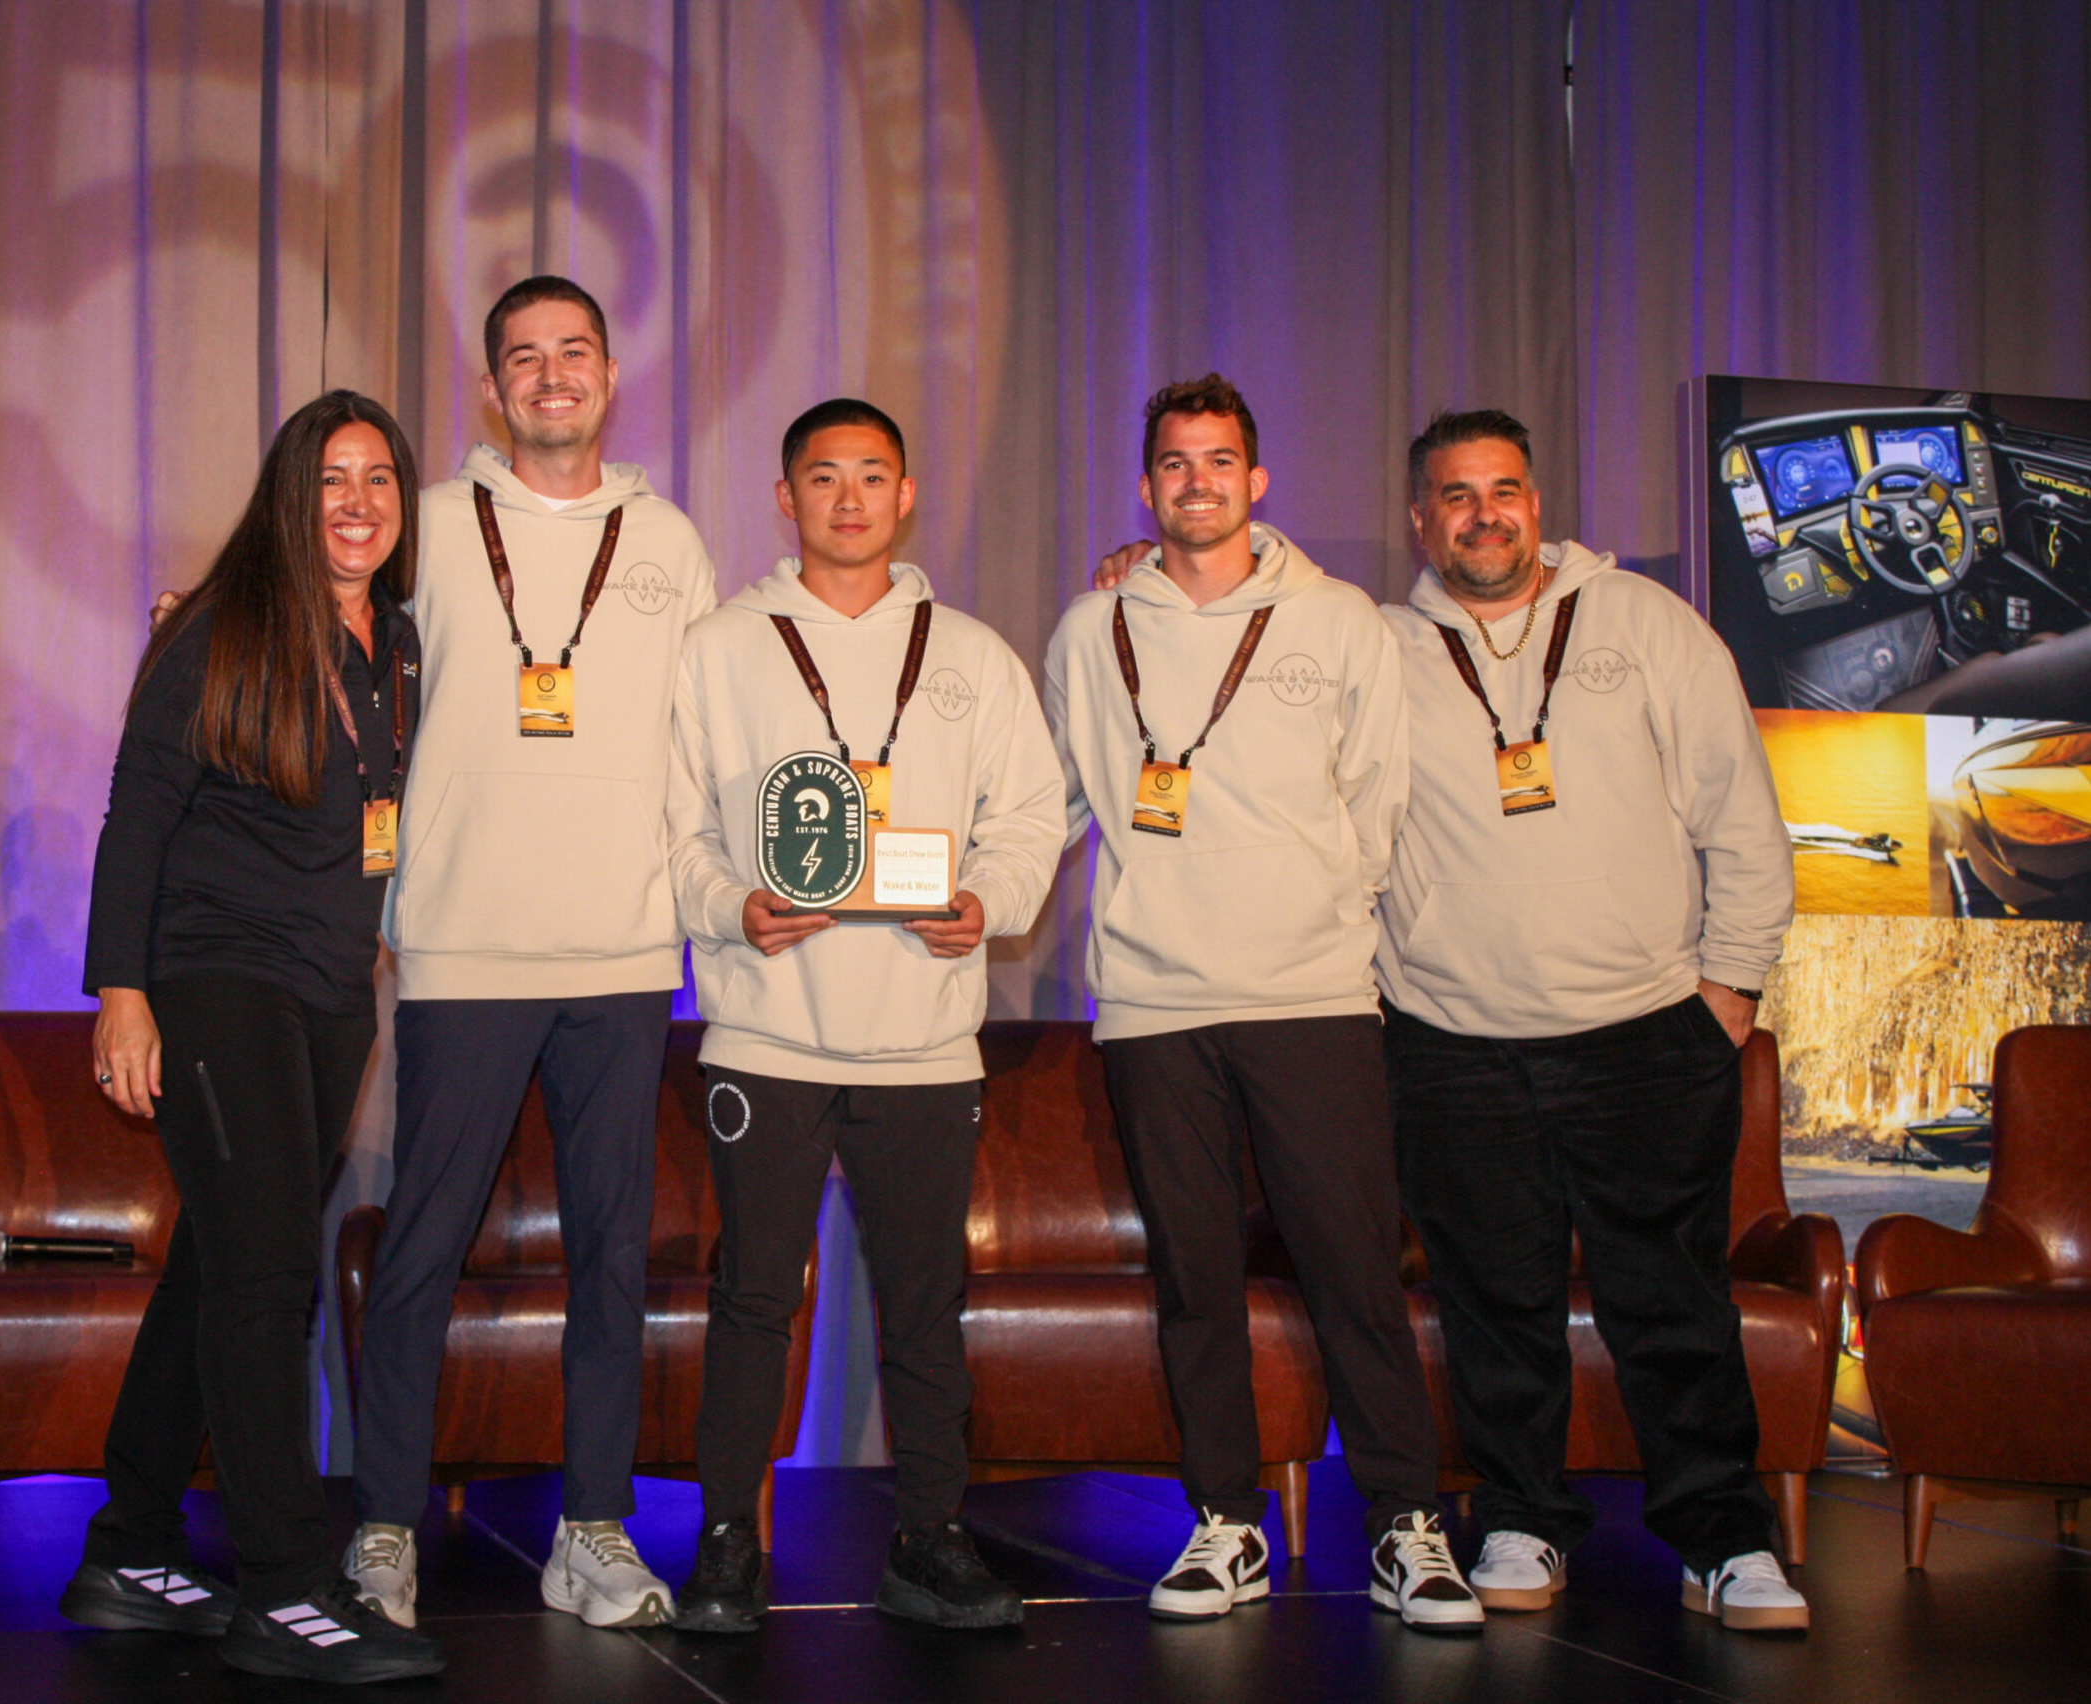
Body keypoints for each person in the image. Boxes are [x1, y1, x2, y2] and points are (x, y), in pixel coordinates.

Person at [1048, 377, 1480, 1631]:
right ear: (1147, 487)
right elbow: (1062, 798)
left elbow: (1380, 805)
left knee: (1354, 1269)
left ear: (1258, 480)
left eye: (1219, 460)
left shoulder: (1342, 621)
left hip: (1312, 999)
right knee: (1193, 1280)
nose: (1197, 482)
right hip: (1149, 1006)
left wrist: (1321, 922)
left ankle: (1406, 1527)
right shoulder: (1091, 629)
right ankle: (1226, 1524)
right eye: (1174, 463)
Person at [1379, 409, 1806, 1632]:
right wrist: (1139, 575)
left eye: (1502, 489)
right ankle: (1520, 1520)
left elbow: (1743, 819)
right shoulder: (1379, 649)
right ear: (1422, 520)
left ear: (1536, 497)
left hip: (1644, 1035)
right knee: (1494, 1309)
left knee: (1673, 1304)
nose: (1482, 515)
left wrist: (1727, 991)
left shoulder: (1649, 627)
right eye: (1455, 497)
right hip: (1452, 1044)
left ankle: (1724, 1540)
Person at [344, 277, 719, 1631]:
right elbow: (312, 612)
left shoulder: (668, 540)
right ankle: (383, 1525)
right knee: (423, 1248)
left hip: (623, 953)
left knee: (613, 1255)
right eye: (523, 359)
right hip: (460, 947)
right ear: (491, 388)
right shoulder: (430, 526)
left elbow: (703, 741)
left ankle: (594, 1533)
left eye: (574, 354)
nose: (551, 376)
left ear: (611, 377)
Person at [663, 399, 1065, 1633]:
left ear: (906, 495)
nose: (849, 498)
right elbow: (674, 829)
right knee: (753, 1302)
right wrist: (732, 905)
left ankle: (930, 1538)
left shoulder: (974, 654)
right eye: (822, 478)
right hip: (766, 1031)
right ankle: (729, 1540)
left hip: (925, 1041)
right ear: (784, 500)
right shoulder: (718, 648)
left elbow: (1034, 816)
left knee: (923, 1298)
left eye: (872, 477)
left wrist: (988, 903)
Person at [64, 390, 444, 1685]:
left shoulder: (395, 642)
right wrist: (121, 992)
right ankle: (282, 1586)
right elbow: (136, 817)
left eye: (380, 480)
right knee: (272, 1278)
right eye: (333, 479)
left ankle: (127, 1544)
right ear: (292, 495)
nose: (357, 503)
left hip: (334, 991)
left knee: (224, 1264)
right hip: (214, 978)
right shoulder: (219, 630)